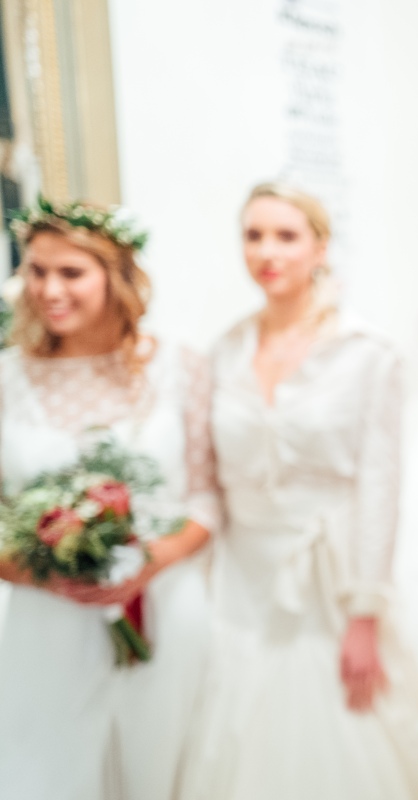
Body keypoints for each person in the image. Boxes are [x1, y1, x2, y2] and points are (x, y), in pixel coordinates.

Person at [179, 183, 418, 799]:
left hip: (331, 581)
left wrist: (364, 614)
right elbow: (207, 483)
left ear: (320, 247)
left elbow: (380, 490)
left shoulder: (368, 354)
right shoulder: (223, 351)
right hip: (242, 584)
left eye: (286, 236)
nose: (268, 251)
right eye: (254, 235)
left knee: (341, 739)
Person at [0, 199, 217, 799]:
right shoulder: (6, 378)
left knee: (160, 768)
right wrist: (42, 572)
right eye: (37, 271)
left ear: (115, 276)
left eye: (70, 272)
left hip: (163, 607)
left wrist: (147, 564)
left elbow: (207, 499)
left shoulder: (179, 365)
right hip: (46, 621)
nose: (49, 290)